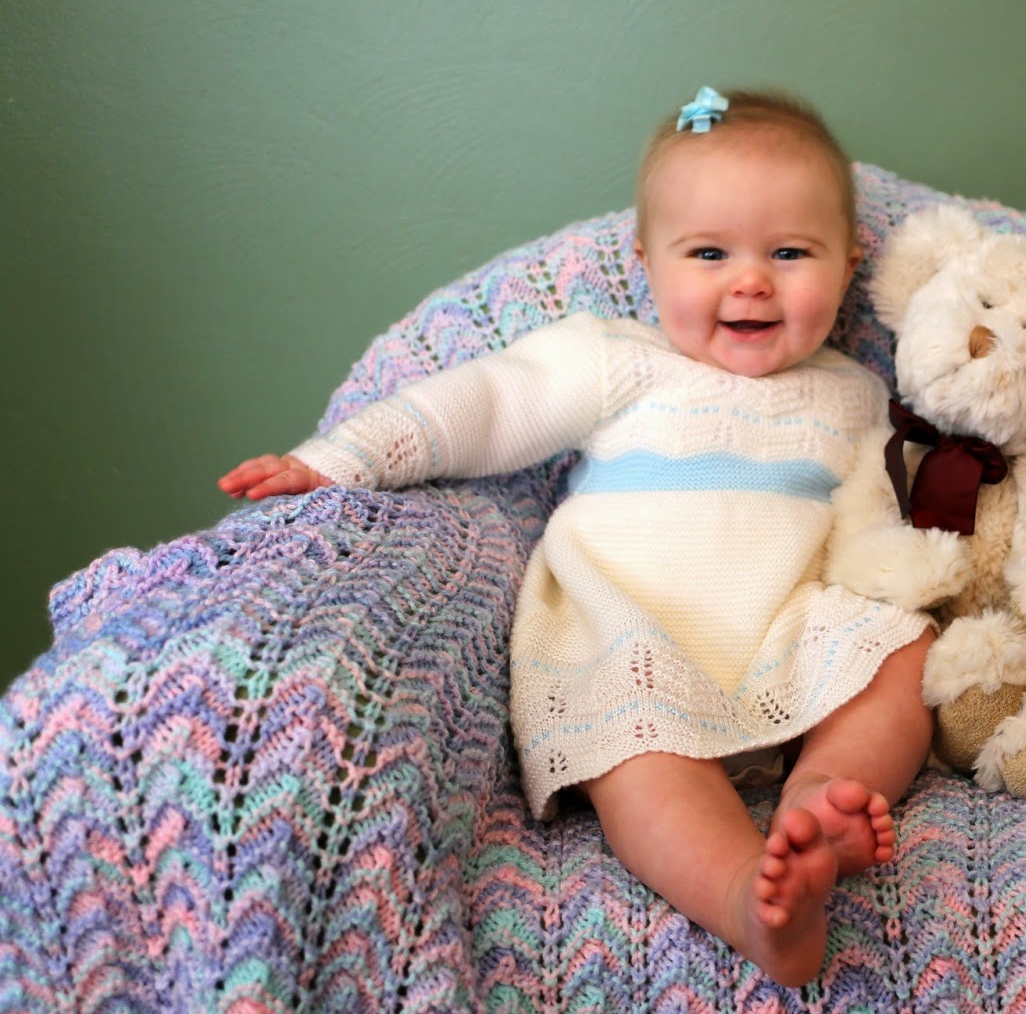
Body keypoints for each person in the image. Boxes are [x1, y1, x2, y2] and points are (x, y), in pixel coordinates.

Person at [218, 86, 935, 987]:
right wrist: (344, 458)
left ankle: (820, 798)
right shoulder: (617, 358)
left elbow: (892, 522)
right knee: (633, 748)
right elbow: (485, 402)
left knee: (902, 648)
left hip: (784, 634)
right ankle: (744, 897)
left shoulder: (858, 396)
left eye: (790, 253)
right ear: (647, 261)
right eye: (708, 253)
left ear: (850, 260)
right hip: (630, 630)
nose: (751, 280)